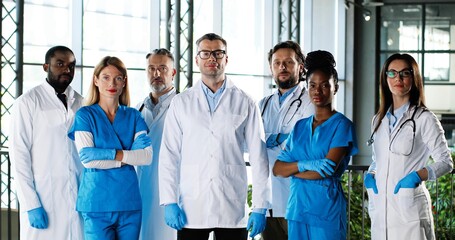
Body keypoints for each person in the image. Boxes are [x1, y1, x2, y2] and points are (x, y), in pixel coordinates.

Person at [159, 33, 271, 240]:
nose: (212, 58)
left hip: (231, 204)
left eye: (218, 53)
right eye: (205, 53)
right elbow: (169, 154)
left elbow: (259, 158)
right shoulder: (181, 102)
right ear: (197, 60)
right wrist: (169, 201)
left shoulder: (245, 102)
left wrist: (260, 206)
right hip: (191, 206)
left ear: (226, 59)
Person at [364, 53, 453, 239]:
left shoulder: (424, 118)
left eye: (405, 73)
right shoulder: (378, 121)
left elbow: (446, 162)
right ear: (385, 78)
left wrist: (416, 176)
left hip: (410, 208)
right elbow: (378, 159)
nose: (398, 78)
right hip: (381, 210)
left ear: (414, 78)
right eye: (392, 73)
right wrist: (371, 174)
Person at [273, 50, 358, 240]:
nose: (317, 91)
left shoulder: (342, 125)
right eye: (312, 85)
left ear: (335, 88)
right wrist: (304, 165)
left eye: (324, 85)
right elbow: (277, 169)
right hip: (297, 209)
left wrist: (293, 169)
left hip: (326, 210)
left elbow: (326, 170)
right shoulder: (300, 126)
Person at [68, 56, 153, 239]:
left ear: (124, 82)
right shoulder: (85, 115)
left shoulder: (134, 115)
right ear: (96, 80)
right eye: (106, 77)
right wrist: (128, 155)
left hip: (129, 203)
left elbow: (146, 157)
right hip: (96, 204)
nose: (112, 83)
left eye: (118, 78)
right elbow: (87, 160)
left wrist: (105, 155)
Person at [9, 46, 84, 239]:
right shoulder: (27, 102)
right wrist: (31, 204)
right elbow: (19, 156)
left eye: (71, 66)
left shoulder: (82, 103)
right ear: (45, 67)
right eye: (60, 64)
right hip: (44, 198)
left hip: (77, 199)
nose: (67, 70)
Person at [259, 40, 314, 240]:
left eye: (289, 62)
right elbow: (249, 143)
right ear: (271, 68)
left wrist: (275, 139)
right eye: (277, 63)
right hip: (269, 201)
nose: (282, 67)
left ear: (301, 67)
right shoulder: (263, 105)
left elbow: (312, 142)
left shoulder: (311, 101)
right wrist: (276, 138)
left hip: (300, 201)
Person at [136, 48, 178, 240]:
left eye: (162, 68)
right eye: (151, 69)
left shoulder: (184, 106)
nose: (157, 74)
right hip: (141, 192)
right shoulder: (138, 108)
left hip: (173, 195)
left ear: (173, 72)